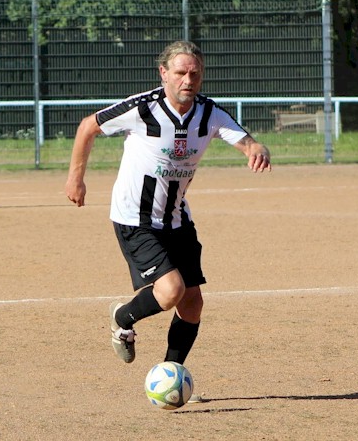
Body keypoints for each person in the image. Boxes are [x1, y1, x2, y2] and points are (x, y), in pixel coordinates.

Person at [64, 41, 272, 375]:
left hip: (176, 218)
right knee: (171, 290)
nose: (188, 79)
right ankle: (122, 318)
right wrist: (76, 179)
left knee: (192, 304)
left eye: (194, 73)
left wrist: (257, 148)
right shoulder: (143, 108)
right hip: (135, 218)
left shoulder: (209, 113)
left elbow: (245, 141)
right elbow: (89, 126)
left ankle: (171, 374)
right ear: (164, 73)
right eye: (180, 73)